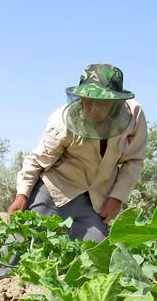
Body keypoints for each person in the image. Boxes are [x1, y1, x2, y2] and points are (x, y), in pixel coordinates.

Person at [8, 63, 147, 242]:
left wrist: (116, 197)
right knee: (23, 239)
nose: (91, 109)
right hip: (57, 189)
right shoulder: (62, 122)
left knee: (97, 251)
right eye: (87, 101)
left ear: (115, 103)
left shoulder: (133, 115)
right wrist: (22, 195)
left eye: (100, 103)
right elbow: (36, 160)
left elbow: (134, 160)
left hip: (96, 198)